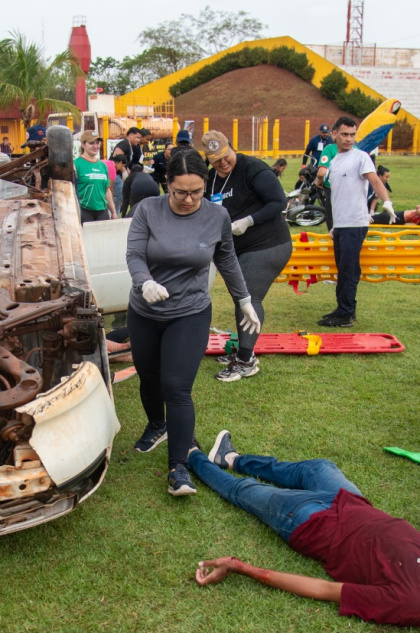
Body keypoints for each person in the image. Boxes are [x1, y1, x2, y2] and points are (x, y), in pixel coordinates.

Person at [189, 431, 420, 633]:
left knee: (244, 492)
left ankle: (191, 456)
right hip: (354, 503)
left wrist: (241, 567)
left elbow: (324, 590)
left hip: (312, 524)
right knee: (317, 468)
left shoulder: (413, 605)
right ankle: (232, 458)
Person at [125, 151, 258, 496]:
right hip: (145, 310)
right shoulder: (148, 210)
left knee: (176, 387)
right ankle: (157, 425)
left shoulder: (216, 216)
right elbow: (135, 254)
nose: (188, 200)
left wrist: (243, 300)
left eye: (196, 192)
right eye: (180, 192)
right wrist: (144, 282)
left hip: (190, 311)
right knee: (149, 377)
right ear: (167, 185)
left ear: (205, 186)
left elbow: (226, 259)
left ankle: (178, 469)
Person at [203, 131, 294, 382]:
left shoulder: (252, 168)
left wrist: (249, 221)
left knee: (248, 297)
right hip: (236, 249)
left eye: (225, 156)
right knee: (239, 297)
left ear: (232, 148)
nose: (222, 163)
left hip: (268, 244)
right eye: (215, 160)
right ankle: (244, 349)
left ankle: (246, 359)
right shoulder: (211, 179)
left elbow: (279, 201)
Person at [315, 116, 395, 328]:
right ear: (334, 134)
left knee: (349, 270)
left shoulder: (361, 157)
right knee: (343, 269)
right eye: (344, 134)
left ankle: (346, 314)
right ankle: (342, 309)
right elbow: (333, 191)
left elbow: (375, 181)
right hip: (341, 224)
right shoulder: (334, 160)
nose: (349, 139)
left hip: (355, 223)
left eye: (352, 135)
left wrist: (386, 202)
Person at [74, 129, 117, 222]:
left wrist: (113, 211)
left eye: (98, 143)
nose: (95, 146)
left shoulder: (103, 166)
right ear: (83, 144)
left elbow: (107, 190)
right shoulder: (76, 164)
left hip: (102, 211)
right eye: (91, 143)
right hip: (84, 211)